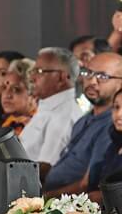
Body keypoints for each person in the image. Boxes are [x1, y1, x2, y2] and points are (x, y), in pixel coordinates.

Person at [43, 52, 122, 196]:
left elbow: (88, 184)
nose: (92, 81)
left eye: (103, 77)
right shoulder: (83, 120)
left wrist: (45, 198)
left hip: (71, 207)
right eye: (88, 73)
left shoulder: (113, 127)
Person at [19, 47, 88, 174]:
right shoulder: (48, 108)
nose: (32, 78)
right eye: (33, 71)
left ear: (62, 77)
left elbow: (46, 169)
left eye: (39, 71)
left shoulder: (63, 117)